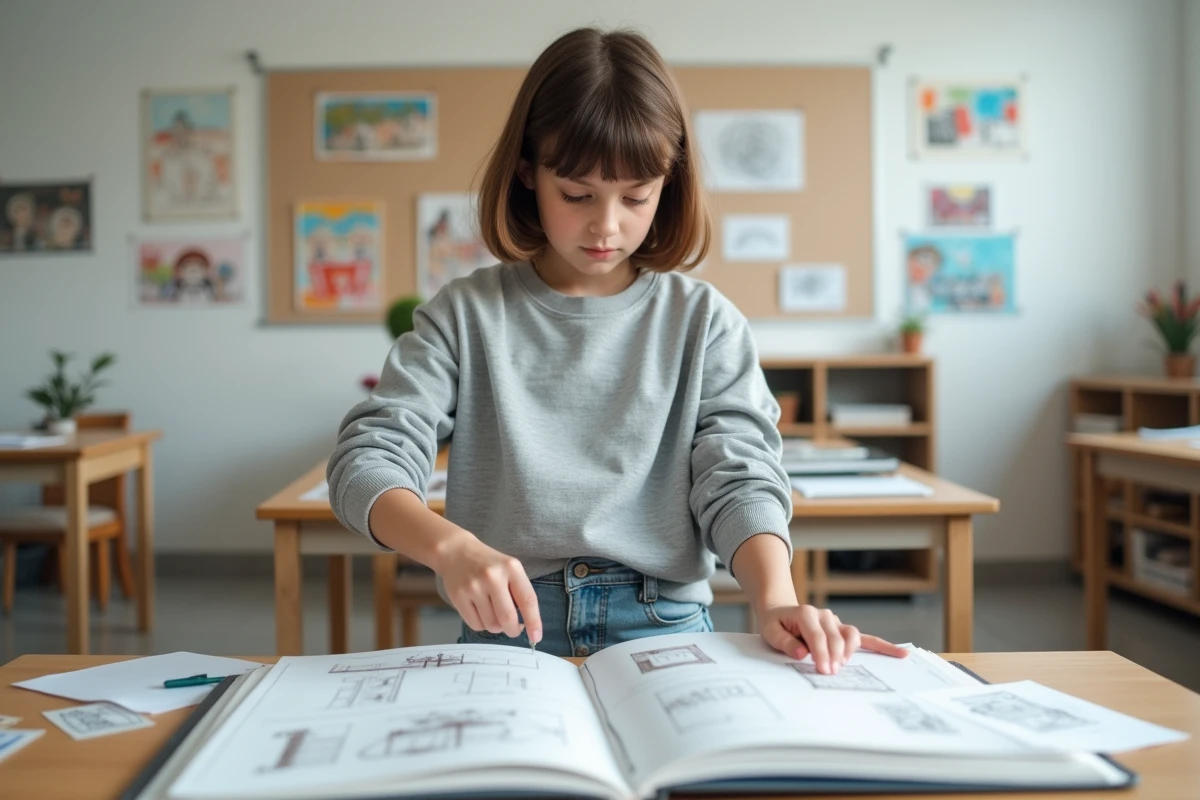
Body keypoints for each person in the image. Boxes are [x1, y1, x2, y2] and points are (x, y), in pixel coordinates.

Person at [327, 27, 906, 672]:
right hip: (509, 627)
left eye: (636, 197)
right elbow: (367, 459)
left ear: (669, 183)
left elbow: (739, 476)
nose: (606, 225)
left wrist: (776, 599)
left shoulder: (705, 321)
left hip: (665, 622)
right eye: (577, 195)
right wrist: (450, 548)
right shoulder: (464, 316)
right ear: (527, 172)